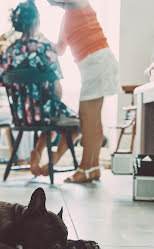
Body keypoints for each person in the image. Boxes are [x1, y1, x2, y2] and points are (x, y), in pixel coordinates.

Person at [0, 0, 80, 177]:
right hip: (45, 112)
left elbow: (8, 87)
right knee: (77, 124)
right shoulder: (46, 49)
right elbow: (57, 89)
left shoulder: (8, 52)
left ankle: (36, 154)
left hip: (21, 115)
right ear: (37, 21)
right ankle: (54, 157)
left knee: (48, 121)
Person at [47, 0, 120, 183]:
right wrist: (40, 40)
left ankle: (85, 168)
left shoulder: (78, 4)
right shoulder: (67, 18)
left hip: (97, 62)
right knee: (93, 117)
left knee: (87, 117)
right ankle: (93, 168)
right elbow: (60, 49)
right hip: (93, 65)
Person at [0, 44, 33, 165]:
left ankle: (30, 156)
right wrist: (3, 106)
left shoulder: (9, 74)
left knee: (27, 116)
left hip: (9, 110)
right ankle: (20, 159)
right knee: (17, 116)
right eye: (2, 54)